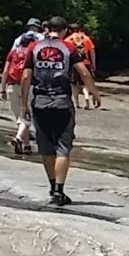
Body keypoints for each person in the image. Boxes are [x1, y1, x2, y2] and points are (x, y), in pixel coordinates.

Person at [23, 23, 89, 206]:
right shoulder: (68, 47)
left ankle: (52, 186)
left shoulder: (34, 47)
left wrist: (23, 104)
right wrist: (94, 92)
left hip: (40, 102)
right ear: (65, 31)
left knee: (46, 147)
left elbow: (26, 77)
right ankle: (59, 191)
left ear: (47, 29)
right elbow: (83, 71)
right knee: (63, 147)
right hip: (61, 101)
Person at [3, 19, 42, 154]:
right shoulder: (40, 41)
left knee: (20, 116)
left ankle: (26, 145)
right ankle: (19, 138)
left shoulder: (17, 43)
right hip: (29, 85)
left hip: (12, 84)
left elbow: (6, 68)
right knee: (27, 115)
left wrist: (3, 87)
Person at [61, 20, 99, 110]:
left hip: (74, 64)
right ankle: (86, 97)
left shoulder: (68, 40)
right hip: (85, 62)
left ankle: (77, 103)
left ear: (69, 30)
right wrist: (93, 63)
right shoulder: (86, 38)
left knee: (74, 84)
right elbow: (92, 51)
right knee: (85, 83)